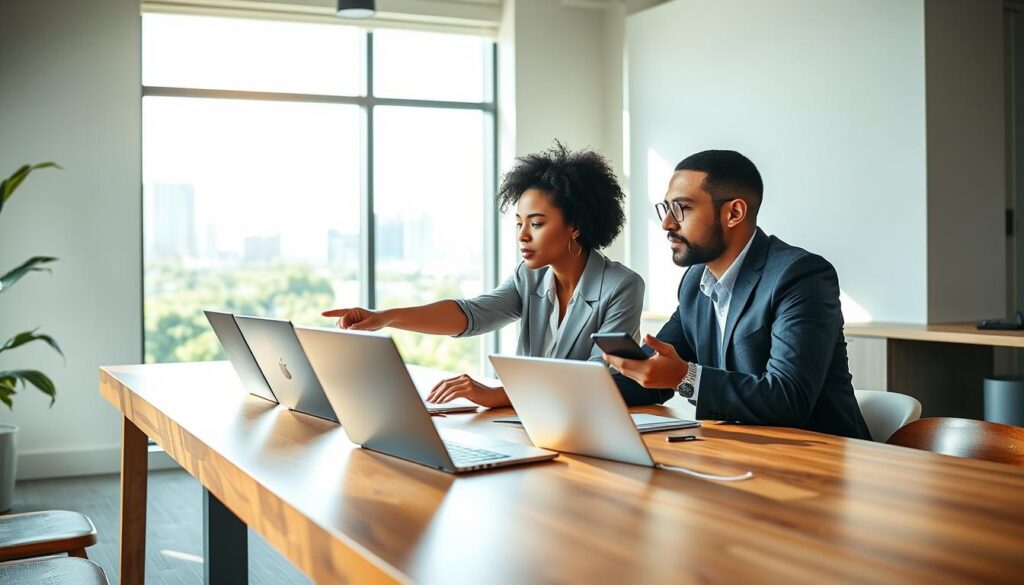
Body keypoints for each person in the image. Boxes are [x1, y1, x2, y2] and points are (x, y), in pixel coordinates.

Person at [323, 142, 644, 408]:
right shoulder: (529, 277)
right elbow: (472, 314)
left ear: (575, 226)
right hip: (534, 422)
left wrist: (498, 395)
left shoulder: (621, 286)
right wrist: (385, 317)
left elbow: (595, 378)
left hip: (587, 426)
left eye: (536, 223)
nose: (522, 235)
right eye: (519, 223)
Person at [604, 150, 870, 439]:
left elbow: (789, 399)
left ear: (734, 213)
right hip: (739, 452)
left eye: (682, 208)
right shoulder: (695, 283)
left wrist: (685, 376)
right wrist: (578, 389)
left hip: (820, 459)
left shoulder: (801, 276)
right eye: (666, 208)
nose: (667, 223)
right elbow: (653, 376)